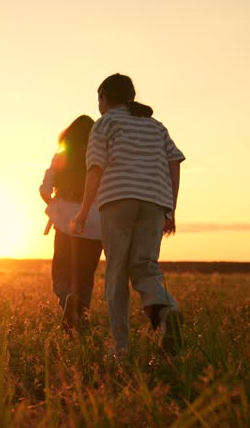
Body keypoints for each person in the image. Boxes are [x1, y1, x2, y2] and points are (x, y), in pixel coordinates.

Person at [72, 73, 185, 356]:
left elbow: (95, 168)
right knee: (145, 266)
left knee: (116, 272)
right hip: (155, 201)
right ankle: (166, 312)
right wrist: (171, 208)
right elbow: (174, 162)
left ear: (103, 98)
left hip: (118, 200)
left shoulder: (104, 123)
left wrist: (83, 212)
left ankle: (120, 347)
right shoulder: (156, 126)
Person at [39, 115, 103, 331]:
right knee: (85, 275)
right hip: (95, 224)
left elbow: (45, 190)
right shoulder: (103, 158)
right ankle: (82, 317)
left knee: (61, 272)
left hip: (65, 222)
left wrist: (56, 204)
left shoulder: (61, 157)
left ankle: (68, 298)